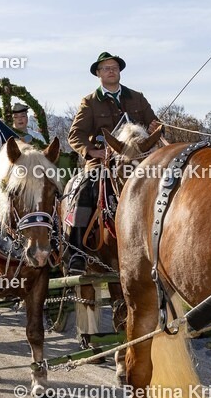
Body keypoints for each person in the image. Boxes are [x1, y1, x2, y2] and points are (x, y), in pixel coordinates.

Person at [65, 51, 160, 274]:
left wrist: (156, 127)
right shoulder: (89, 102)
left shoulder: (137, 97)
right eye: (106, 68)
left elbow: (153, 123)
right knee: (85, 187)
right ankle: (77, 252)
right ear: (98, 74)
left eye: (114, 67)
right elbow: (75, 135)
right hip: (103, 162)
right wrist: (92, 152)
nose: (111, 71)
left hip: (136, 159)